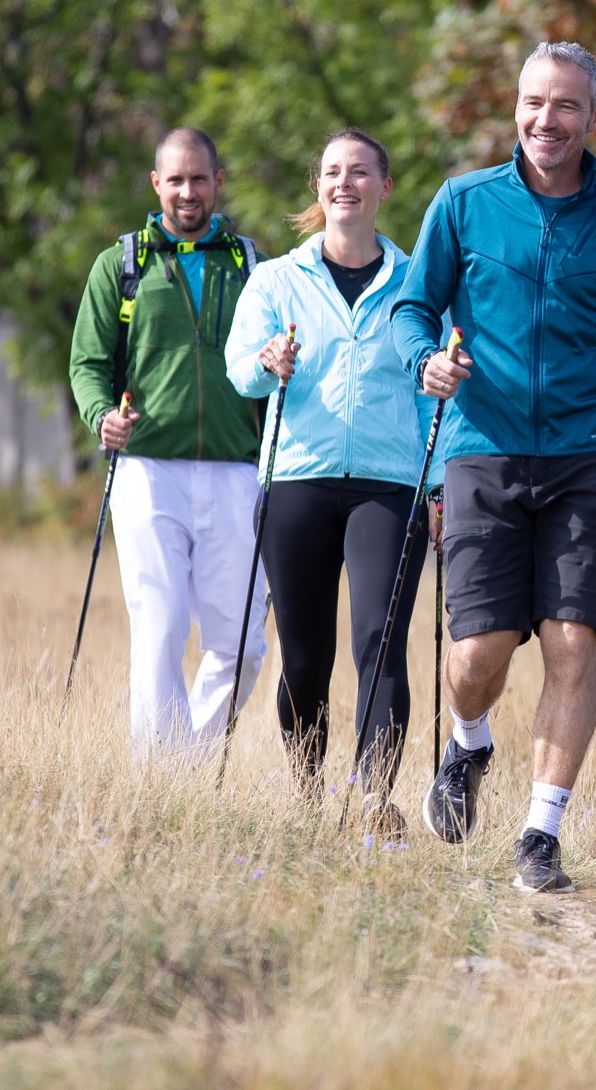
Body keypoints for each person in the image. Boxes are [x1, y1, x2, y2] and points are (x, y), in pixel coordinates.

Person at [391, 41, 596, 893]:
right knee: (478, 653)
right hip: (480, 449)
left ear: (594, 118)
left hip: (585, 455)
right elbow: (415, 306)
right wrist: (427, 363)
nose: (545, 120)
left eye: (565, 106)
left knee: (571, 644)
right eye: (532, 102)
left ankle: (539, 835)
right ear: (514, 107)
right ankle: (467, 742)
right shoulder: (462, 204)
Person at [224, 129, 433, 838]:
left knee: (380, 639)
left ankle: (375, 799)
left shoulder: (418, 282)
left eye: (359, 172)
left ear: (385, 187)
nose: (344, 183)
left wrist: (438, 486)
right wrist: (267, 357)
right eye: (332, 173)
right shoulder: (276, 280)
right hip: (298, 480)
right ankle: (310, 793)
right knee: (306, 656)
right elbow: (239, 372)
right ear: (319, 189)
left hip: (390, 483)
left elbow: (437, 387)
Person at [68, 127, 268, 758]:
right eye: (175, 179)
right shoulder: (121, 265)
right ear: (156, 184)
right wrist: (102, 416)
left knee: (242, 645)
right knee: (158, 631)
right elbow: (87, 364)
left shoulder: (253, 266)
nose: (188, 191)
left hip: (237, 470)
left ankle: (189, 763)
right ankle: (160, 781)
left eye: (199, 178)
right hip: (147, 469)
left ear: (217, 181)